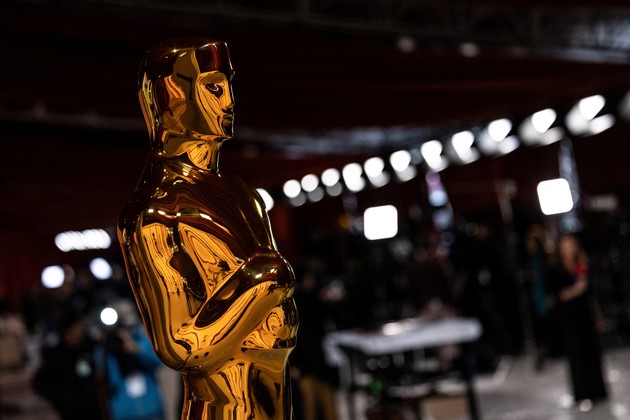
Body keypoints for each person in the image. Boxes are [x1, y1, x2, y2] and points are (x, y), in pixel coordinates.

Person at [118, 38, 298, 419]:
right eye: (214, 87)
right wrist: (261, 283)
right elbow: (181, 346)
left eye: (230, 84)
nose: (229, 100)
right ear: (171, 95)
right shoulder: (155, 211)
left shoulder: (244, 196)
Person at [550, 234, 607, 409]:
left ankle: (598, 391)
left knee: (593, 353)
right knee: (576, 356)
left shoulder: (581, 266)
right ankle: (582, 394)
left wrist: (598, 316)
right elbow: (557, 296)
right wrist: (576, 289)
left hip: (586, 316)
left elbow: (590, 296)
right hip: (568, 319)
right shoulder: (556, 269)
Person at [96, 300, 165, 420]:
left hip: (151, 409)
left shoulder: (141, 341)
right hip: (124, 413)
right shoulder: (106, 350)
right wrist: (108, 346)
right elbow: (102, 377)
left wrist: (134, 348)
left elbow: (157, 361)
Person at [33, 316, 107, 420]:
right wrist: (61, 397)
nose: (75, 336)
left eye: (77, 331)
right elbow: (39, 383)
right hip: (72, 410)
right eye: (71, 333)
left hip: (95, 407)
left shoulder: (92, 349)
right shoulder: (57, 356)